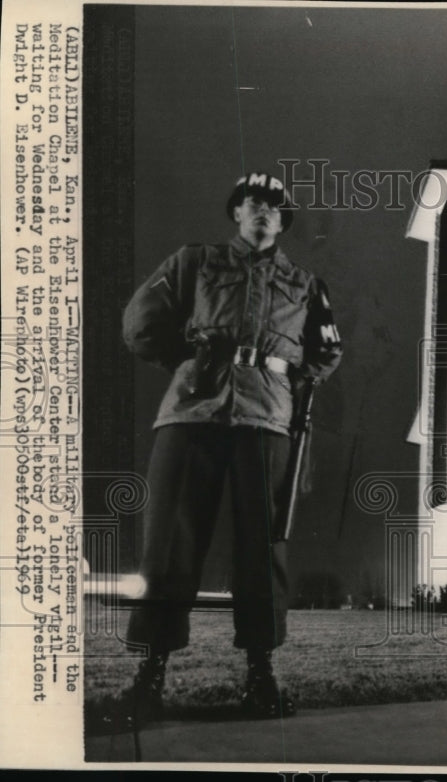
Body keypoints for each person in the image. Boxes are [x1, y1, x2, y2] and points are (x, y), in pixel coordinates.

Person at [117, 171, 343, 724]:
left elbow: (328, 353)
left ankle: (261, 680)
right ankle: (149, 681)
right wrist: (191, 364)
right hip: (191, 414)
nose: (263, 210)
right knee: (169, 545)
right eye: (253, 202)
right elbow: (138, 323)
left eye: (274, 205)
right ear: (236, 212)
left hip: (265, 421)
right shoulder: (195, 263)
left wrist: (282, 382)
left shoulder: (305, 283)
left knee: (261, 551)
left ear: (283, 219)